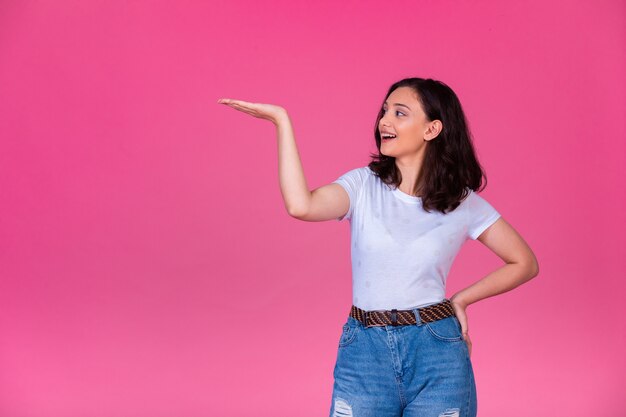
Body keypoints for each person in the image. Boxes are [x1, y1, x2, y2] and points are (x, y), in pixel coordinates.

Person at [217, 77, 539, 417]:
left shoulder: (461, 203)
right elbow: (302, 206)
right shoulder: (362, 186)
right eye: (385, 111)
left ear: (432, 129)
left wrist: (461, 300)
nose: (384, 121)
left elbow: (524, 262)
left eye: (400, 113)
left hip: (437, 351)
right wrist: (282, 122)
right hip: (364, 352)